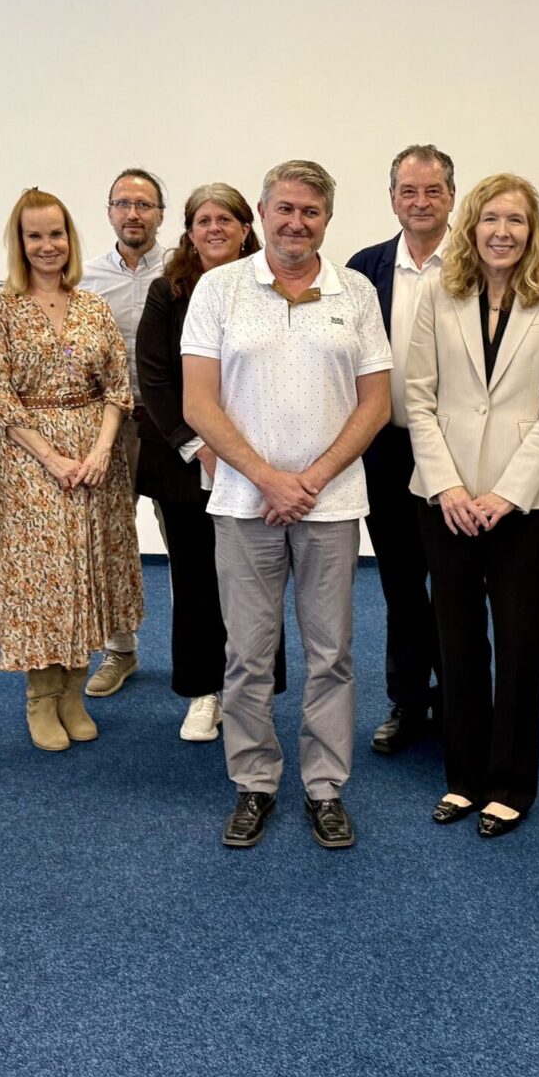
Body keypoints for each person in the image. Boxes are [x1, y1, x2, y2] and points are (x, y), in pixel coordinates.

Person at [181, 160, 391, 851]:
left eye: (311, 211)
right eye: (285, 209)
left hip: (331, 504)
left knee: (331, 655)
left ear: (326, 219)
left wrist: (312, 478)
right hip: (245, 503)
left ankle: (325, 787)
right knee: (247, 655)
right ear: (263, 213)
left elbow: (375, 404)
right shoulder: (219, 289)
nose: (296, 222)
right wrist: (269, 479)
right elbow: (198, 403)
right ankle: (254, 782)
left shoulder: (356, 292)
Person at [404, 173, 539, 837]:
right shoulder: (437, 293)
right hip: (444, 501)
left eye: (517, 220)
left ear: (532, 232)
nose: (503, 232)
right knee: (456, 644)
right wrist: (447, 486)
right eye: (491, 219)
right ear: (471, 226)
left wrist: (507, 493)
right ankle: (464, 777)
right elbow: (418, 396)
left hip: (523, 507)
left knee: (519, 644)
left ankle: (510, 783)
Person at [0, 189, 144, 752]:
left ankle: (73, 692)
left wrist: (99, 453)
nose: (47, 245)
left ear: (69, 239)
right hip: (32, 461)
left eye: (56, 234)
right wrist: (53, 457)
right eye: (35, 235)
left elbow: (117, 388)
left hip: (97, 458)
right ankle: (40, 697)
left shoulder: (93, 306)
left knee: (89, 570)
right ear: (19, 243)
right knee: (44, 579)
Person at [133, 183, 286, 741]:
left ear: (247, 228)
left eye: (226, 219)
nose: (215, 228)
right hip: (184, 462)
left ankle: (256, 689)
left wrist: (247, 455)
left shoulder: (270, 287)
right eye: (204, 220)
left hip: (257, 458)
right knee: (196, 578)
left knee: (259, 581)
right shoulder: (166, 292)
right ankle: (204, 691)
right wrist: (199, 448)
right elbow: (154, 377)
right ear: (189, 232)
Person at [346, 144, 454, 755]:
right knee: (401, 581)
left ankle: (460, 698)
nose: (420, 202)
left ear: (451, 198)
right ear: (392, 199)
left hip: (459, 449)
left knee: (457, 581)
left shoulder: (474, 263)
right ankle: (409, 700)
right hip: (385, 447)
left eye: (432, 190)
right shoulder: (363, 270)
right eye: (408, 191)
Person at [77, 167, 166, 699]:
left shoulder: (182, 271)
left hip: (172, 427)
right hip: (110, 428)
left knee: (190, 543)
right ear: (109, 212)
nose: (134, 214)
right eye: (123, 203)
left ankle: (199, 655)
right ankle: (120, 649)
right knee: (111, 543)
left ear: (160, 215)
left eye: (144, 205)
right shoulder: (84, 278)